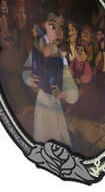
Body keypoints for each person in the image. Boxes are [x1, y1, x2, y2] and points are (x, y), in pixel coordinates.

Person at [23, 17, 79, 146]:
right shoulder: (36, 50)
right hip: (42, 103)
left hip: (55, 106)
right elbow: (26, 71)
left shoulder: (61, 58)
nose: (58, 32)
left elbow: (72, 90)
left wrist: (64, 94)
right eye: (53, 27)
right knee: (42, 136)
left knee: (58, 139)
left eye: (61, 28)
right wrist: (29, 79)